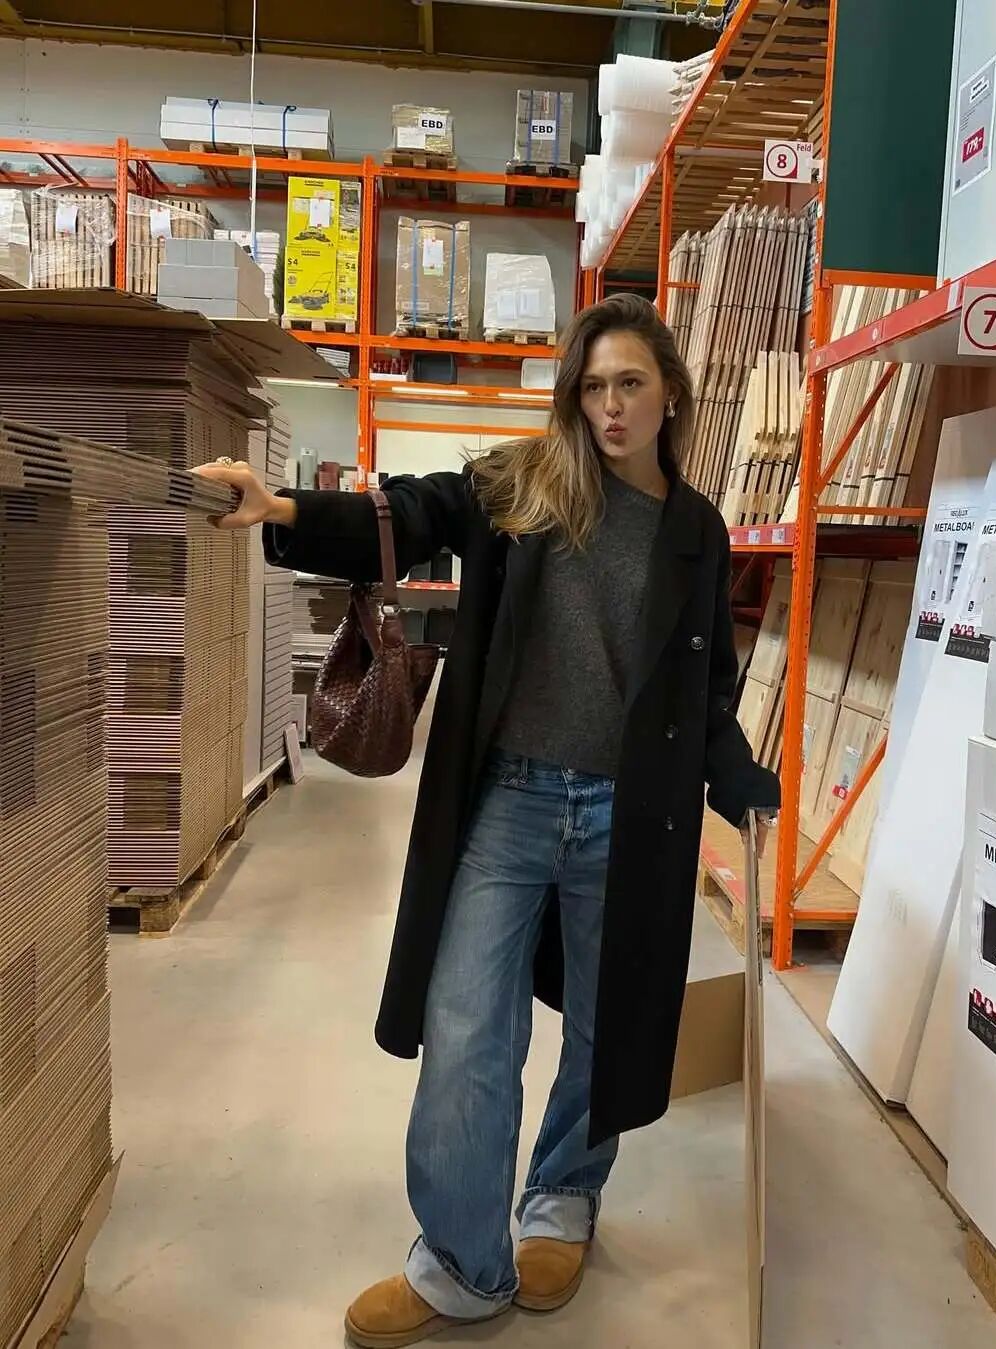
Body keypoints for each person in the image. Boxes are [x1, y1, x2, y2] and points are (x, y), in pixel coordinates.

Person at [195, 292, 780, 1348]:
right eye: (592, 386)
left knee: (605, 1024)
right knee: (467, 1022)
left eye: (630, 383)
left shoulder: (695, 531)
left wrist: (736, 773)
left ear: (670, 394)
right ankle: (465, 1262)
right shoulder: (525, 486)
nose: (610, 406)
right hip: (509, 798)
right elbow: (408, 511)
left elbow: (705, 690)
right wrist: (282, 508)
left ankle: (562, 1197)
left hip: (630, 817)